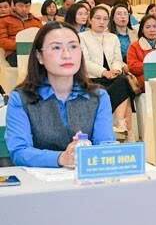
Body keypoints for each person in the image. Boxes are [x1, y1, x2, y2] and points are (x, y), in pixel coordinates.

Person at [3, 22, 114, 167]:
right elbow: (19, 152)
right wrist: (61, 158)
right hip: (40, 184)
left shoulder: (98, 96)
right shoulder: (21, 98)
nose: (67, 55)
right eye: (56, 47)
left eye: (73, 47)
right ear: (39, 56)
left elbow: (105, 146)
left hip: (88, 181)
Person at [79, 6, 135, 134]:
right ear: (90, 20)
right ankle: (116, 122)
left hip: (112, 77)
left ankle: (119, 122)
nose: (101, 22)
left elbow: (117, 59)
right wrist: (104, 72)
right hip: (92, 77)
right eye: (98, 18)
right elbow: (84, 61)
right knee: (124, 87)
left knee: (122, 80)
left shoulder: (112, 37)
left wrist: (115, 70)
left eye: (105, 19)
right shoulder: (82, 37)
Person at [126, 15, 156, 92]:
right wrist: (154, 66)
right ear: (142, 29)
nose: (152, 30)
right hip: (144, 86)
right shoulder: (134, 46)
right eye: (148, 27)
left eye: (155, 26)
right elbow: (132, 67)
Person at [0, 0, 43, 67]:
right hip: (14, 52)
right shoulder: (4, 20)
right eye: (20, 6)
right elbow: (2, 41)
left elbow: (43, 36)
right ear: (14, 6)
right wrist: (22, 46)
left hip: (34, 50)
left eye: (27, 6)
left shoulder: (36, 21)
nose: (24, 9)